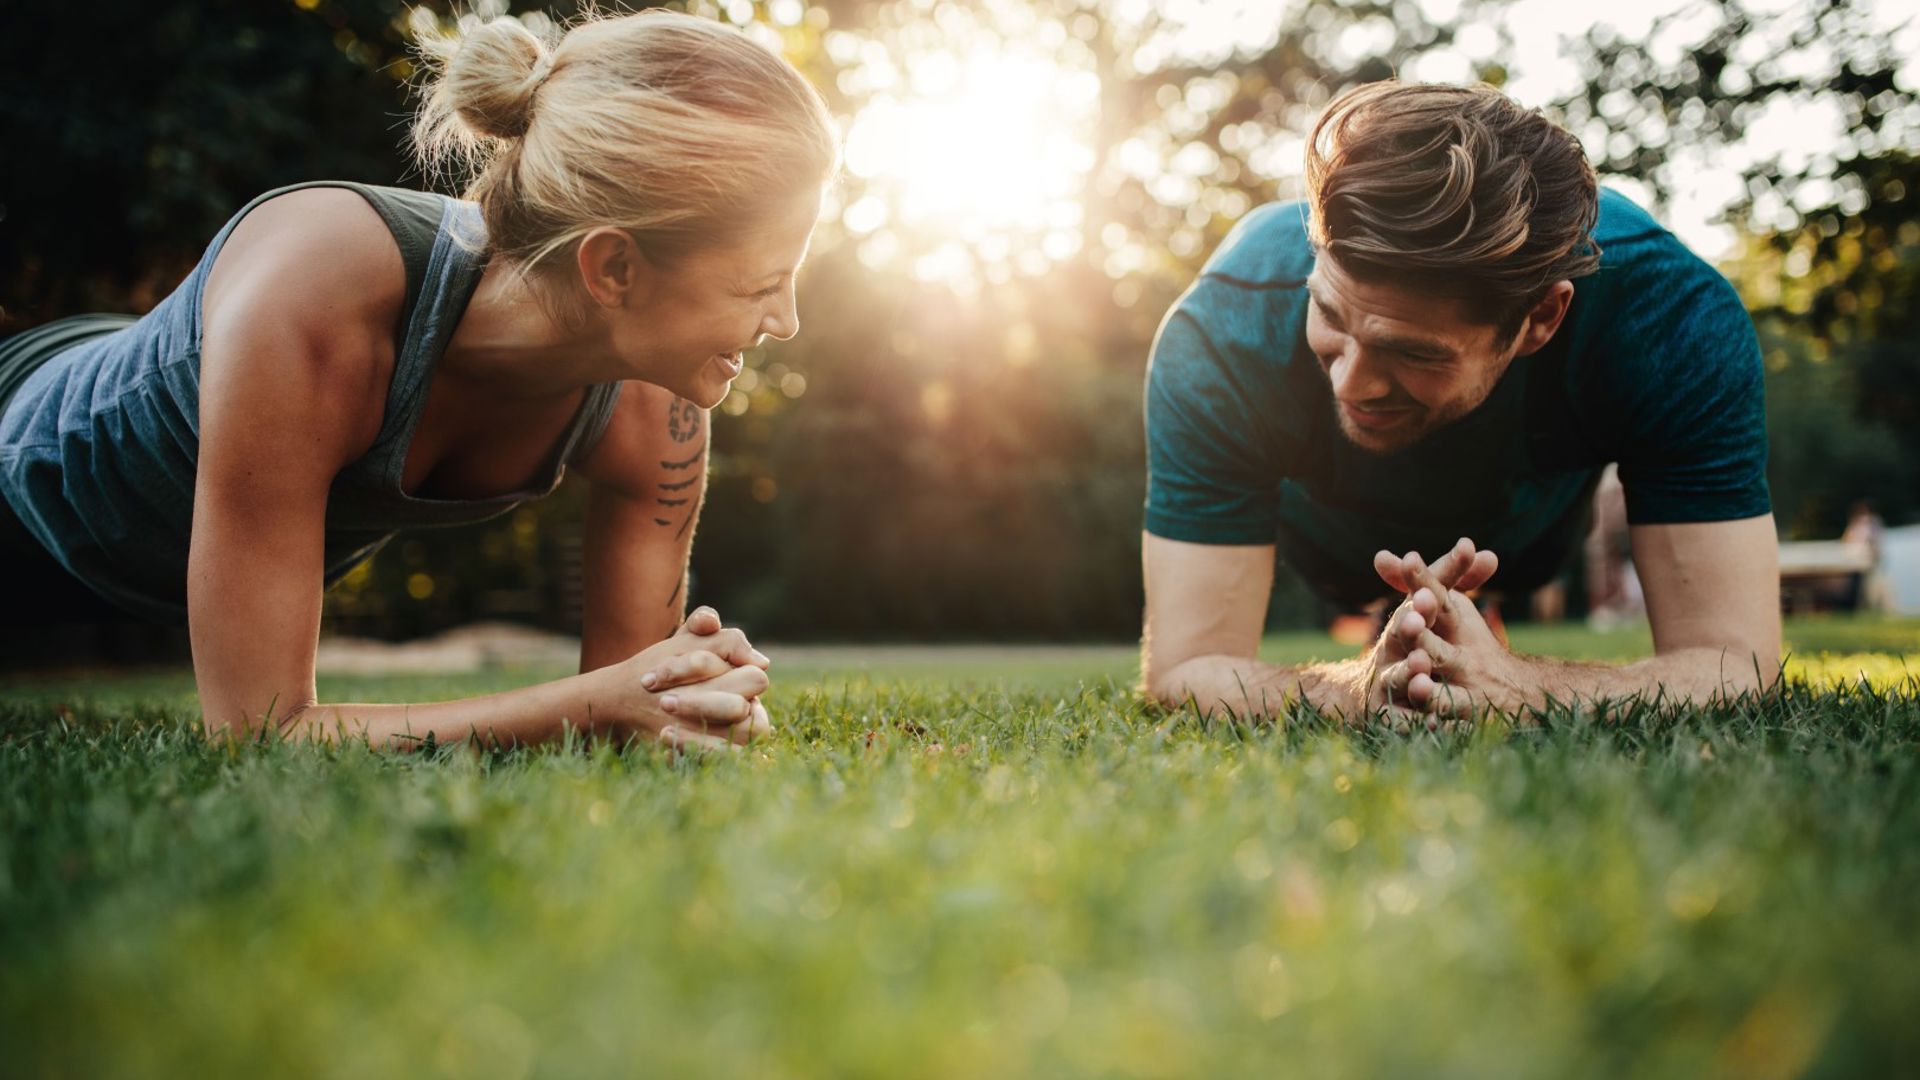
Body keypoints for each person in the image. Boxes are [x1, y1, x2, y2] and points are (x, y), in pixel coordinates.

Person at [0, 11, 838, 749]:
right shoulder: (315, 291)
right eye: (758, 285)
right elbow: (262, 731)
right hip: (25, 472)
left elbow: (637, 704)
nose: (785, 322)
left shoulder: (661, 410)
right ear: (613, 267)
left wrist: (694, 705)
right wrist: (592, 704)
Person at [1140, 81, 1780, 723]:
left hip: (1527, 537)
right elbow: (1185, 666)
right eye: (1329, 313)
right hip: (1335, 542)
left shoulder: (1671, 321)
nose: (1350, 384)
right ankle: (1397, 618)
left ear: (1541, 318)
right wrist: (1359, 689)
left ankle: (1475, 611)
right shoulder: (1222, 330)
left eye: (1415, 352)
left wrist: (1515, 684)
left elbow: (1738, 663)